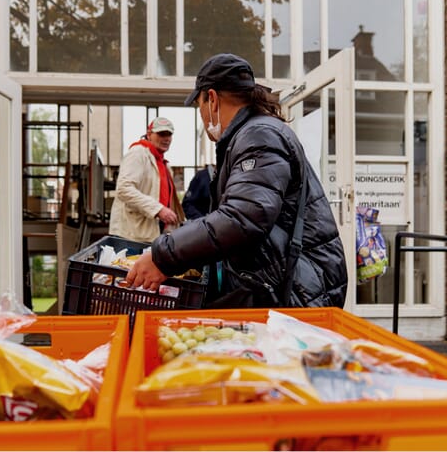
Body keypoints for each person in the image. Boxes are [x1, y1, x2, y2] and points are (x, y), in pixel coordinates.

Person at [125, 53, 348, 308]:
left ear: (212, 99)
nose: (202, 115)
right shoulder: (252, 134)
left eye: (199, 106)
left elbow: (243, 217)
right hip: (289, 283)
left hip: (299, 290)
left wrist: (163, 257)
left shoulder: (259, 135)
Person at [109, 116, 186, 242]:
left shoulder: (164, 165)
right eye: (161, 134)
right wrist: (158, 209)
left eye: (169, 134)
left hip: (149, 235)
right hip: (131, 236)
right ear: (149, 134)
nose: (166, 139)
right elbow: (124, 189)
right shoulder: (137, 154)